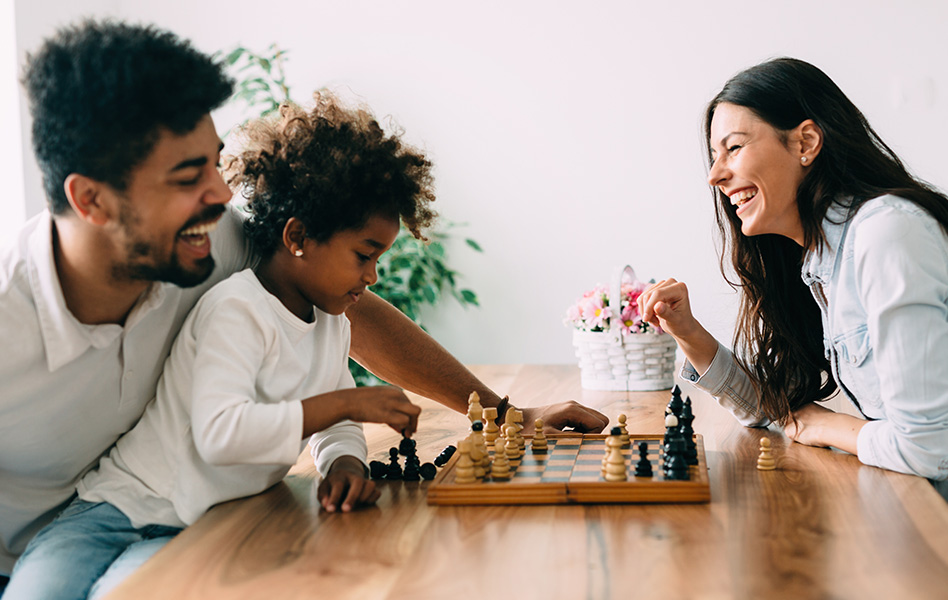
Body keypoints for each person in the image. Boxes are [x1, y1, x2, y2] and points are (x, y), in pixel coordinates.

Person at [0, 18, 608, 585]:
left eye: (215, 165)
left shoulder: (216, 242)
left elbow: (347, 321)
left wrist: (503, 416)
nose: (221, 194)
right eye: (189, 177)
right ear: (92, 201)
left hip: (185, 519)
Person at [3, 92, 431, 600]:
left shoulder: (330, 322)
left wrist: (344, 463)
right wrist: (352, 402)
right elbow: (221, 433)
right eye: (364, 254)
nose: (373, 275)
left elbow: (335, 414)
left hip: (194, 523)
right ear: (298, 237)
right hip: (117, 511)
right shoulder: (236, 308)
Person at [637, 57, 948, 483]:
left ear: (805, 143)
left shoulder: (886, 234)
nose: (714, 175)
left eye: (734, 147)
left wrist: (831, 426)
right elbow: (781, 409)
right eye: (713, 155)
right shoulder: (819, 260)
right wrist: (687, 332)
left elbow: (928, 449)